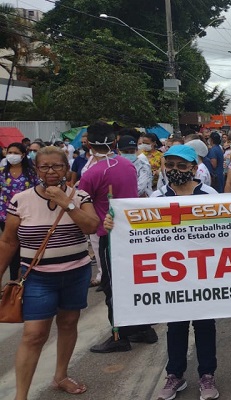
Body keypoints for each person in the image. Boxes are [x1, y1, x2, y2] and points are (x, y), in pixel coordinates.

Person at [106, 145, 221, 400]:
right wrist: (114, 223)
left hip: (204, 273)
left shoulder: (209, 194)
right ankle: (175, 375)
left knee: (205, 325)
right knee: (176, 325)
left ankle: (207, 375)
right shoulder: (157, 200)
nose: (175, 171)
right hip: (172, 275)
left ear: (194, 168)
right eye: (170, 166)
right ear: (163, 168)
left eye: (182, 166)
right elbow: (137, 231)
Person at [0, 146, 100, 399]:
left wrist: (67, 204)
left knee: (68, 323)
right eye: (44, 166)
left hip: (75, 273)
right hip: (37, 277)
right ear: (36, 169)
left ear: (67, 169)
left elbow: (91, 226)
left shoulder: (81, 196)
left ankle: (61, 375)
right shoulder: (20, 200)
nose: (51, 171)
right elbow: (9, 242)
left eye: (57, 166)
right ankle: (20, 395)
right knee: (34, 335)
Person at [80, 122, 156, 354]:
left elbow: (83, 208)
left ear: (89, 145)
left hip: (110, 235)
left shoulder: (91, 173)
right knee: (131, 282)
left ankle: (119, 336)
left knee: (112, 285)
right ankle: (143, 328)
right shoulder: (128, 165)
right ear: (114, 143)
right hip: (131, 233)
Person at [0, 143, 39, 281]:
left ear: (23, 155)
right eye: (9, 152)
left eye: (15, 153)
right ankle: (13, 282)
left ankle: (27, 278)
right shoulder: (1, 171)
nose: (12, 155)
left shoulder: (31, 172)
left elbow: (38, 190)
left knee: (27, 246)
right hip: (6, 216)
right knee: (11, 249)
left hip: (28, 215)